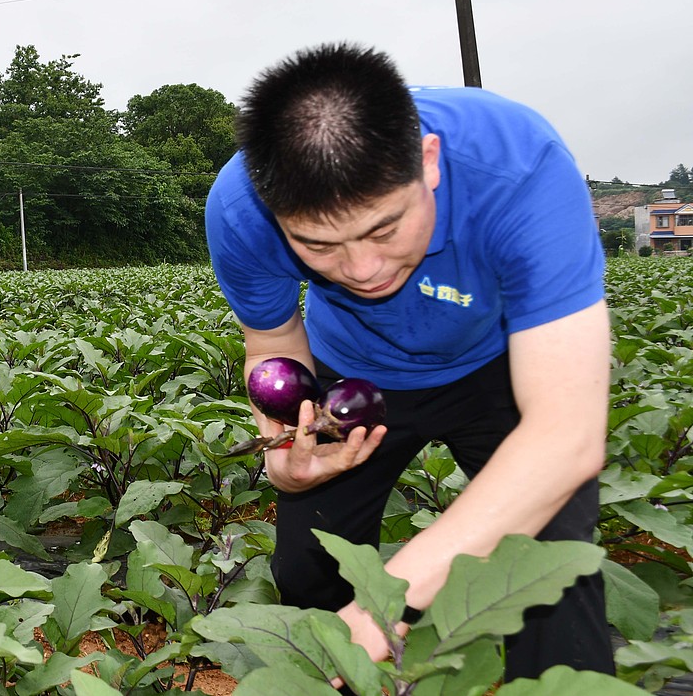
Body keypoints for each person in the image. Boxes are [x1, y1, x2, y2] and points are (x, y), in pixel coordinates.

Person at [204, 42, 612, 681]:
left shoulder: (518, 168)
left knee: (548, 563)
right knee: (308, 568)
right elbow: (273, 346)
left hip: (498, 368)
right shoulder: (240, 211)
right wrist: (286, 460)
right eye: (318, 245)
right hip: (353, 378)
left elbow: (566, 435)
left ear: (429, 162)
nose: (362, 270)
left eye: (384, 229)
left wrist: (383, 604)